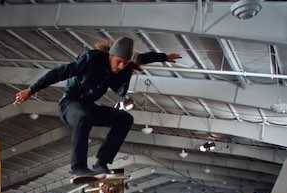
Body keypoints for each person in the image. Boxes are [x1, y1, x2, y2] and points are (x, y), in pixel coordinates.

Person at [14, 37, 181, 177]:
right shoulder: (91, 59)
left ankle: (101, 163)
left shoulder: (126, 64)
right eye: (119, 62)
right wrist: (31, 90)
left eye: (125, 63)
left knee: (125, 118)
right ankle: (78, 167)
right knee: (83, 116)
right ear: (110, 55)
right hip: (69, 105)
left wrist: (164, 57)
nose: (121, 66)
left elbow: (142, 57)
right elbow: (60, 72)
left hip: (88, 107)